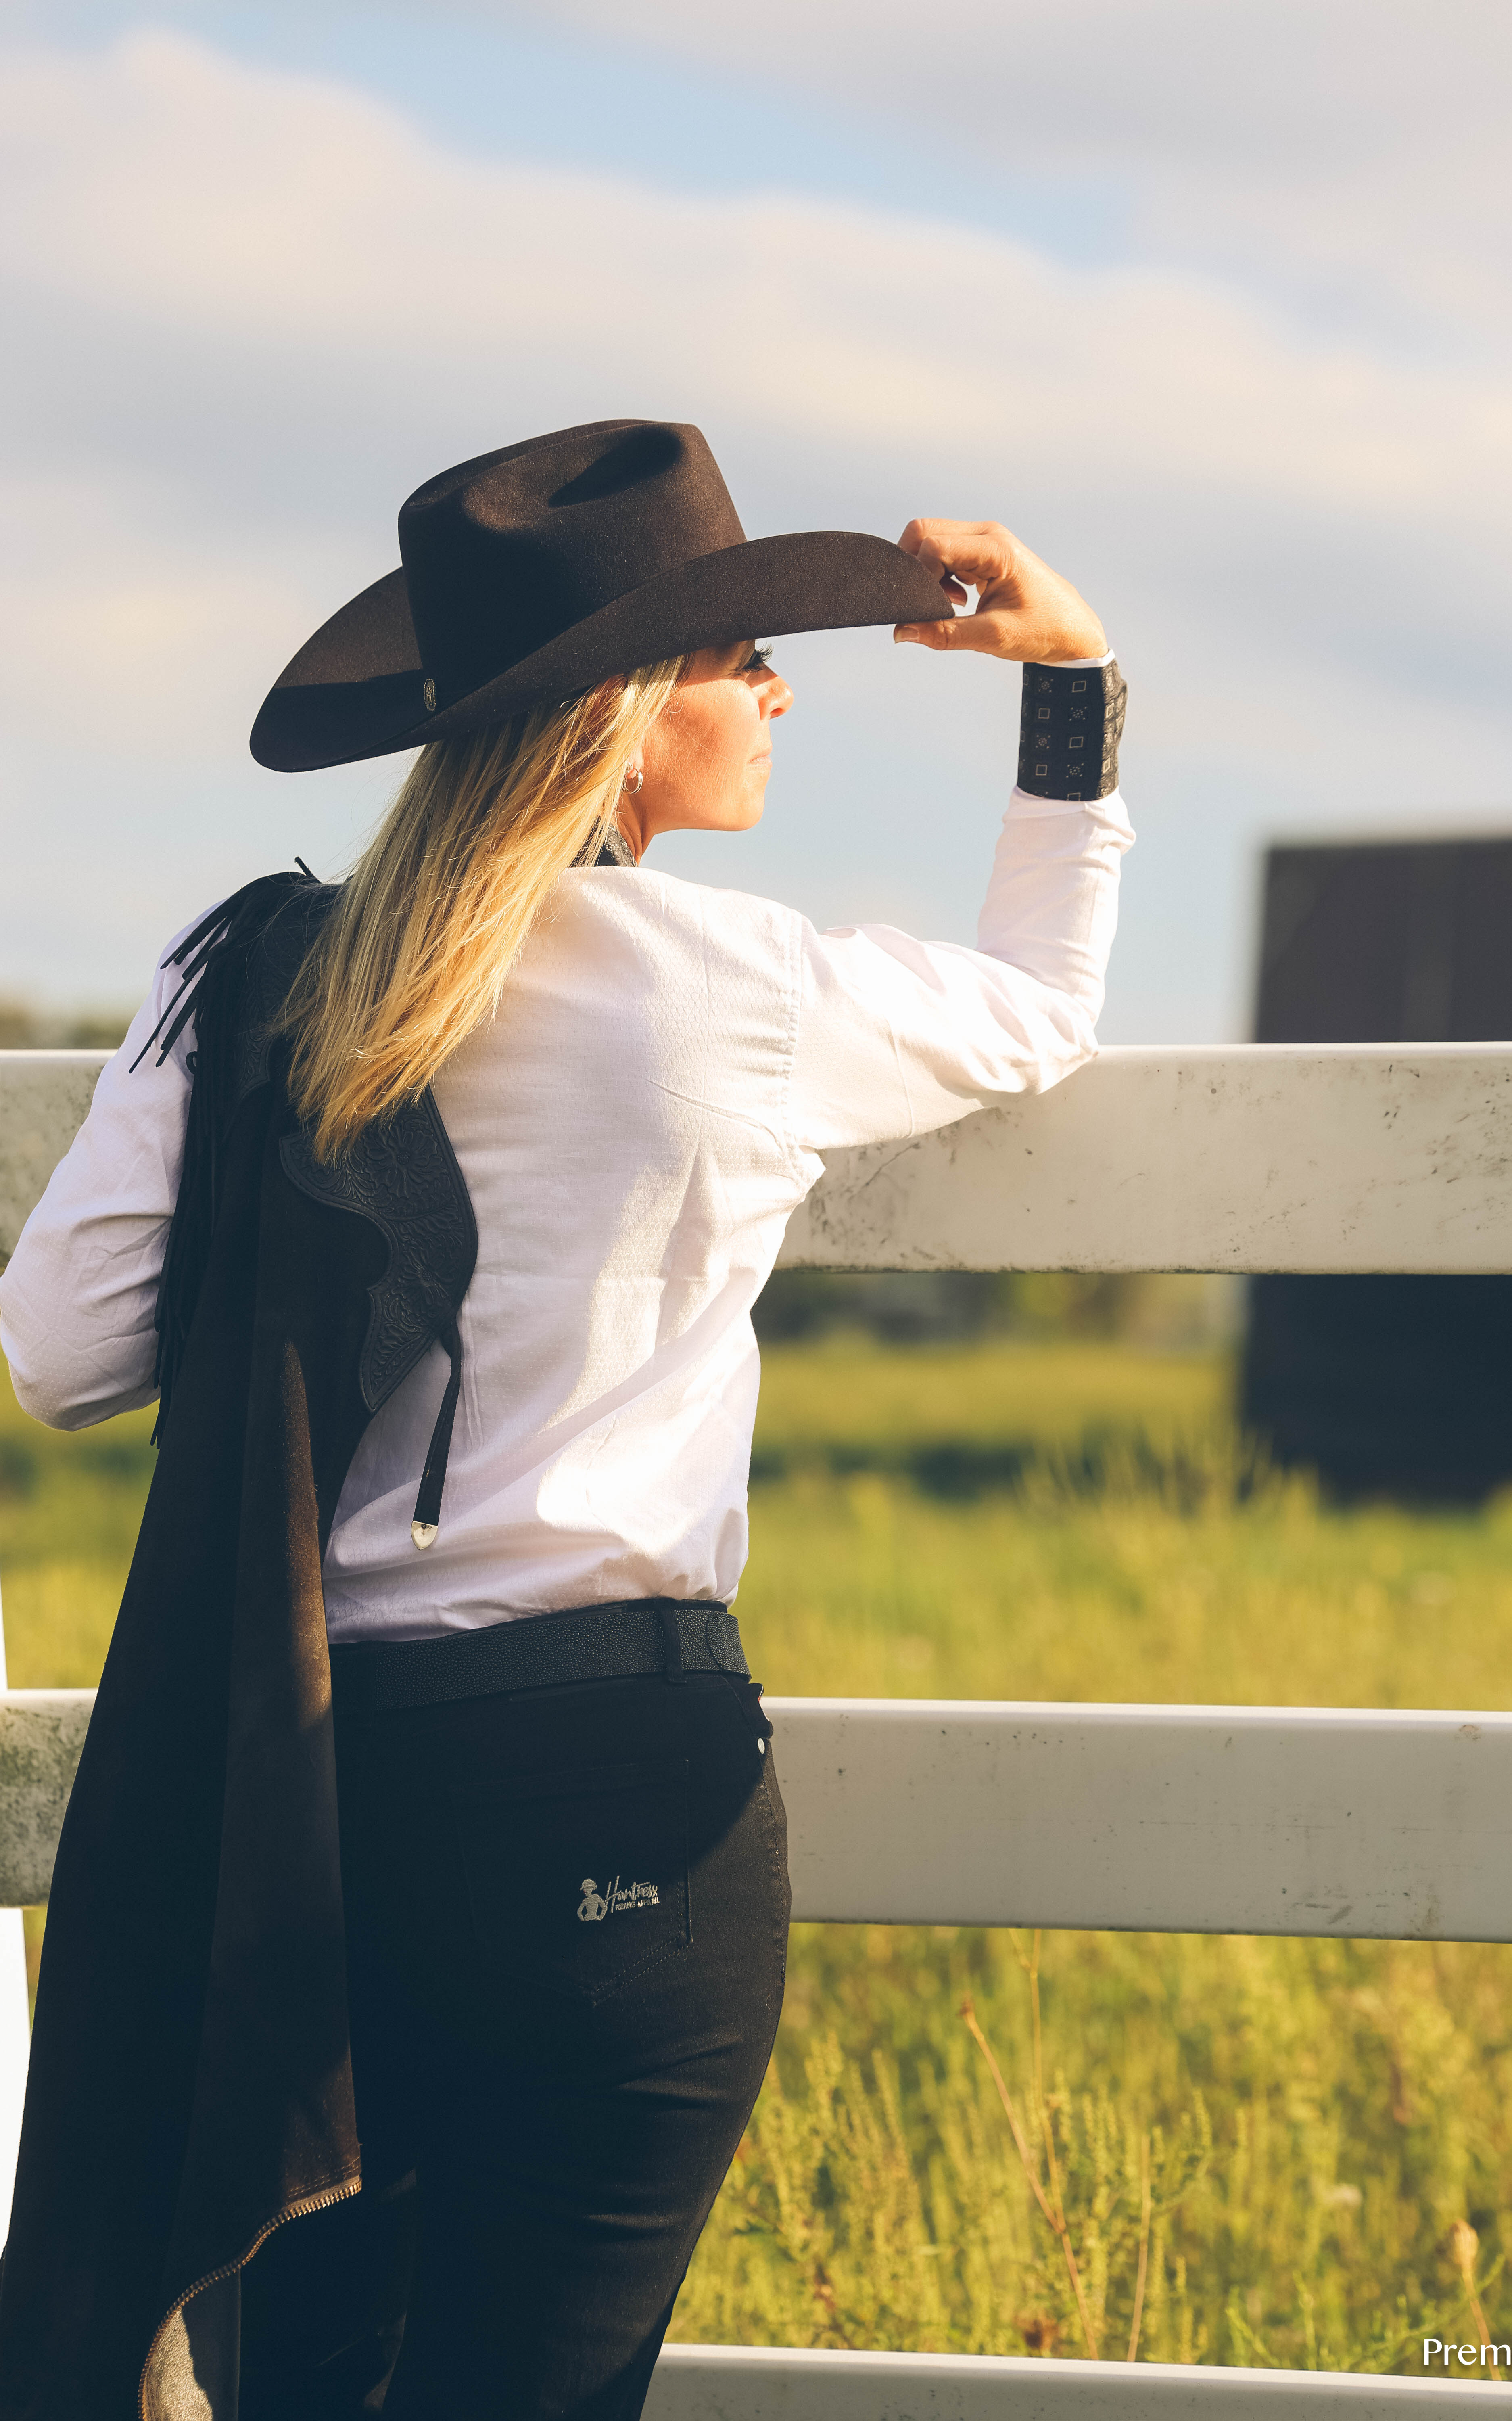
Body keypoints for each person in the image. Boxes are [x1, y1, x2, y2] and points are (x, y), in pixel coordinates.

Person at [0, 419, 1132, 2421]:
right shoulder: (744, 986)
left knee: (316, 2387)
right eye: (735, 657)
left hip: (319, 1808)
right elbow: (1039, 1018)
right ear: (623, 713)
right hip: (621, 1786)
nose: (778, 690)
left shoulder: (254, 976)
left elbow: (68, 1352)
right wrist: (1071, 685)